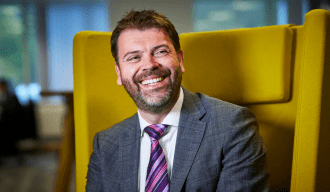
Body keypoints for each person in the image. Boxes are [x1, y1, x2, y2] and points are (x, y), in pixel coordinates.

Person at [86, 10, 269, 192]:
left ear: (180, 60)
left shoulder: (232, 126)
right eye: (134, 57)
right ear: (119, 73)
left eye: (160, 52)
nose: (149, 64)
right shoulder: (106, 144)